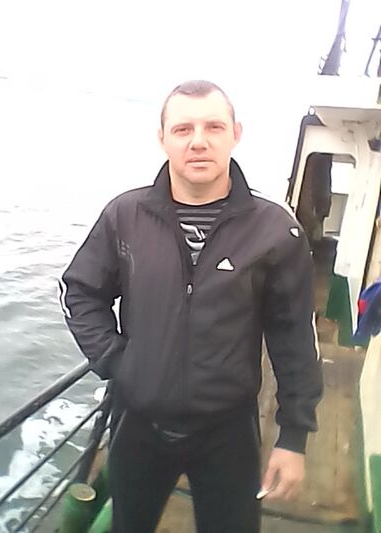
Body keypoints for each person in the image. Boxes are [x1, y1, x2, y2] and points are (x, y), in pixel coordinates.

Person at [59, 80, 323, 533]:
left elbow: (294, 337)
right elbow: (80, 291)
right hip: (139, 424)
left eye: (213, 127)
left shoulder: (275, 229)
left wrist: (293, 437)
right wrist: (118, 361)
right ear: (162, 138)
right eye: (183, 129)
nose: (198, 141)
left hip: (228, 431)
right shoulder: (125, 216)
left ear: (235, 134)